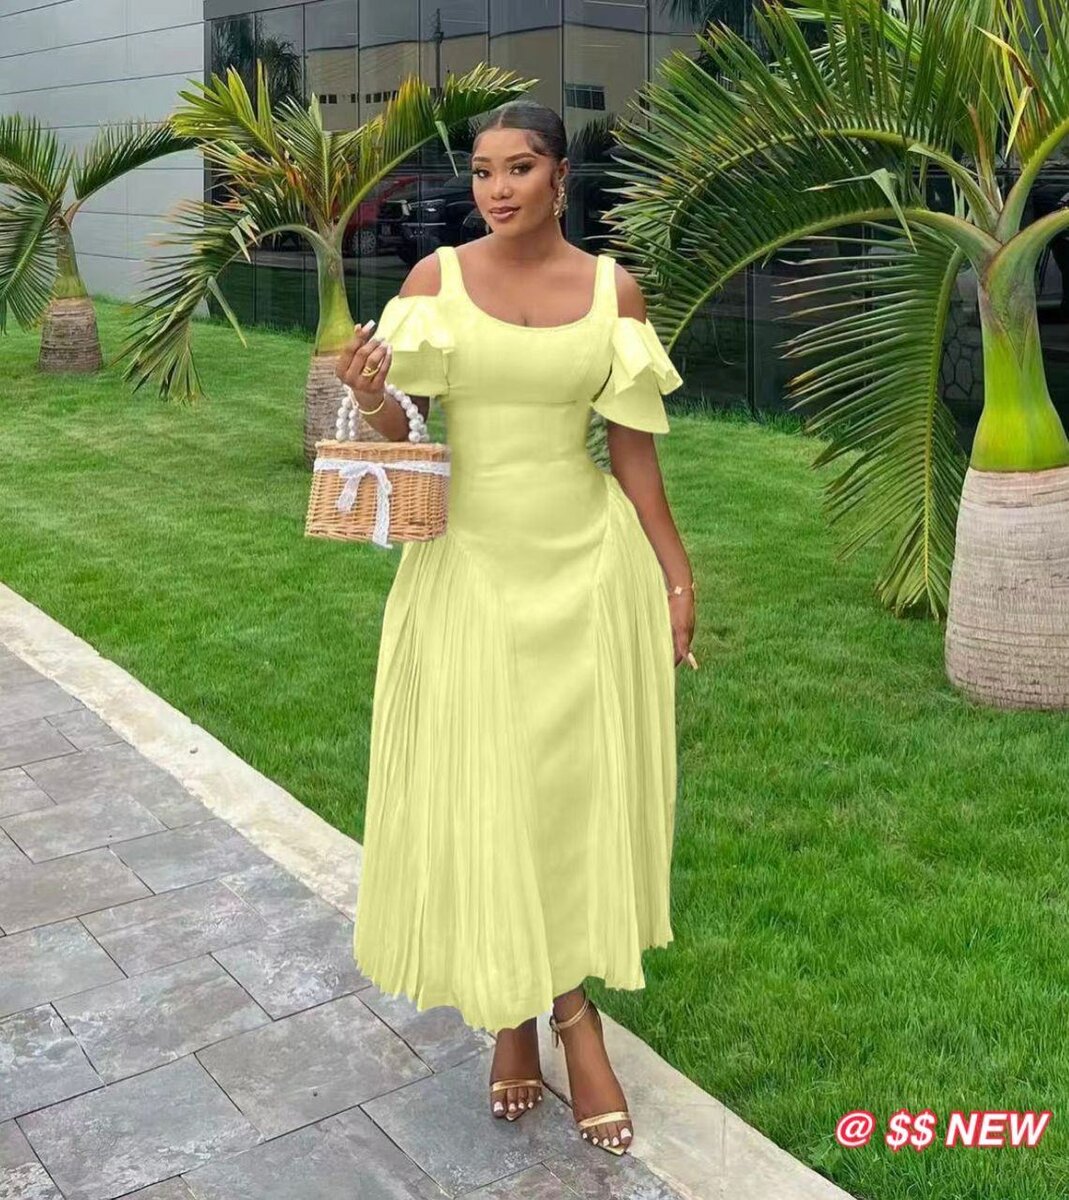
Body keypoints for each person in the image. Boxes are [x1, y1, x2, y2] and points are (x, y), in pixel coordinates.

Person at [335, 99, 697, 1158]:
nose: (496, 189)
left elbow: (631, 451)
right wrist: (370, 397)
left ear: (559, 177)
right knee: (491, 789)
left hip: (588, 571)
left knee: (568, 798)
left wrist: (674, 575)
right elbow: (401, 430)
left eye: (520, 167)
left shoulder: (612, 291)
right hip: (471, 571)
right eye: (484, 170)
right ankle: (530, 1017)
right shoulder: (434, 281)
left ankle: (551, 1013)